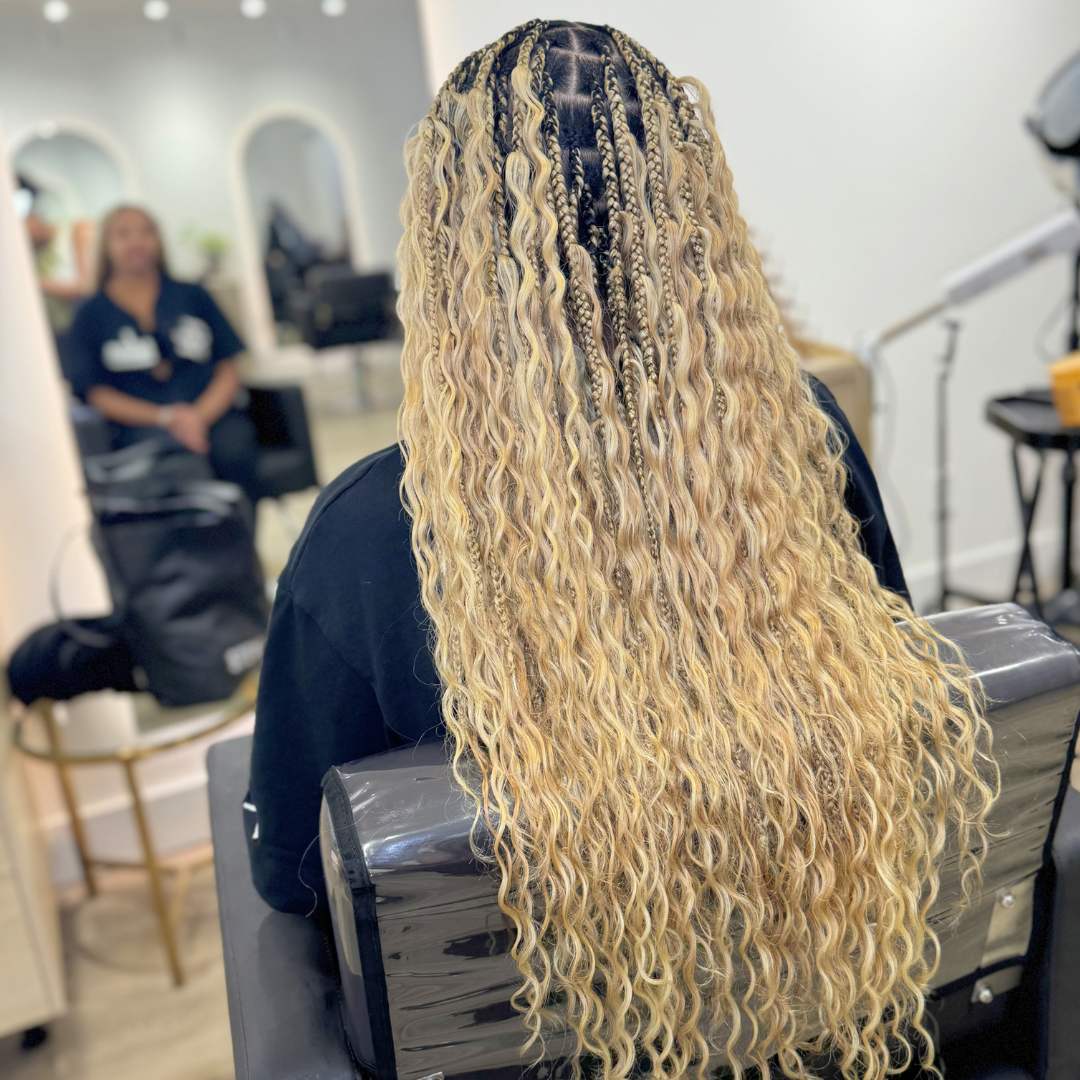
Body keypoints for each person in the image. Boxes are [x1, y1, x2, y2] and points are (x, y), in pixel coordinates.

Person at [248, 21, 996, 1078]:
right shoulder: (804, 438)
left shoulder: (369, 532)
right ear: (691, 223)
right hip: (820, 1022)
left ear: (454, 251)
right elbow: (895, 719)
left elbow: (292, 877)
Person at [65, 205, 260, 506]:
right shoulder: (90, 313)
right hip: (139, 425)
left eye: (146, 232)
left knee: (234, 449)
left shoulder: (193, 296)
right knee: (171, 461)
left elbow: (228, 366)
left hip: (211, 414)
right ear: (106, 245)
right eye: (124, 234)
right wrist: (167, 417)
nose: (137, 242)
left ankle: (241, 546)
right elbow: (95, 392)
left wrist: (197, 417)